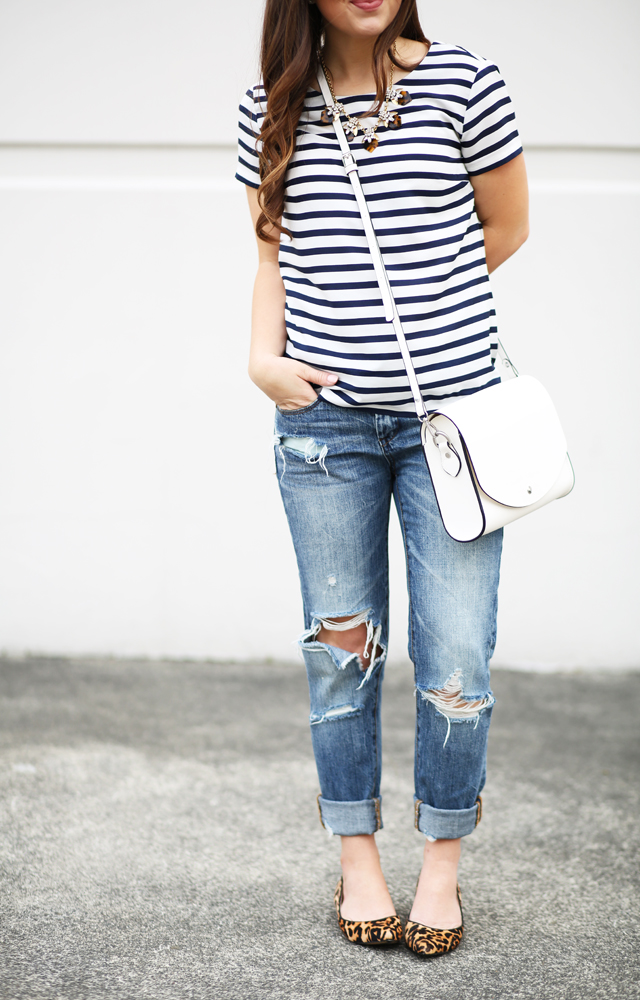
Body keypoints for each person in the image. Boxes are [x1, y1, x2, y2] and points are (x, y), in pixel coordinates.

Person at [235, 0, 528, 956]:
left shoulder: (464, 81)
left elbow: (506, 229)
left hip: (450, 426)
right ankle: (357, 857)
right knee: (339, 648)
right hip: (324, 425)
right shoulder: (271, 103)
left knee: (455, 658)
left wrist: (430, 314)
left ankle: (439, 868)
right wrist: (261, 359)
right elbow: (275, 251)